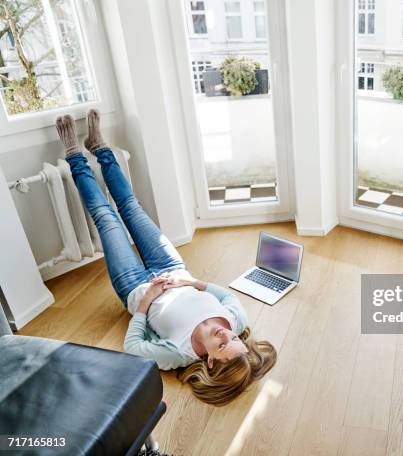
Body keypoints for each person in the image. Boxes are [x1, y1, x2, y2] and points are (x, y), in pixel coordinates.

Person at [55, 111, 276, 406]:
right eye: (235, 340)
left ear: (209, 362)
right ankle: (100, 148)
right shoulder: (236, 321)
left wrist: (146, 302)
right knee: (131, 207)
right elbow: (223, 294)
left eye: (222, 344)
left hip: (135, 286)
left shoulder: (178, 354)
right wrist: (190, 281)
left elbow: (133, 346)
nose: (226, 335)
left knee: (106, 217)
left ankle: (74, 156)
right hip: (172, 268)